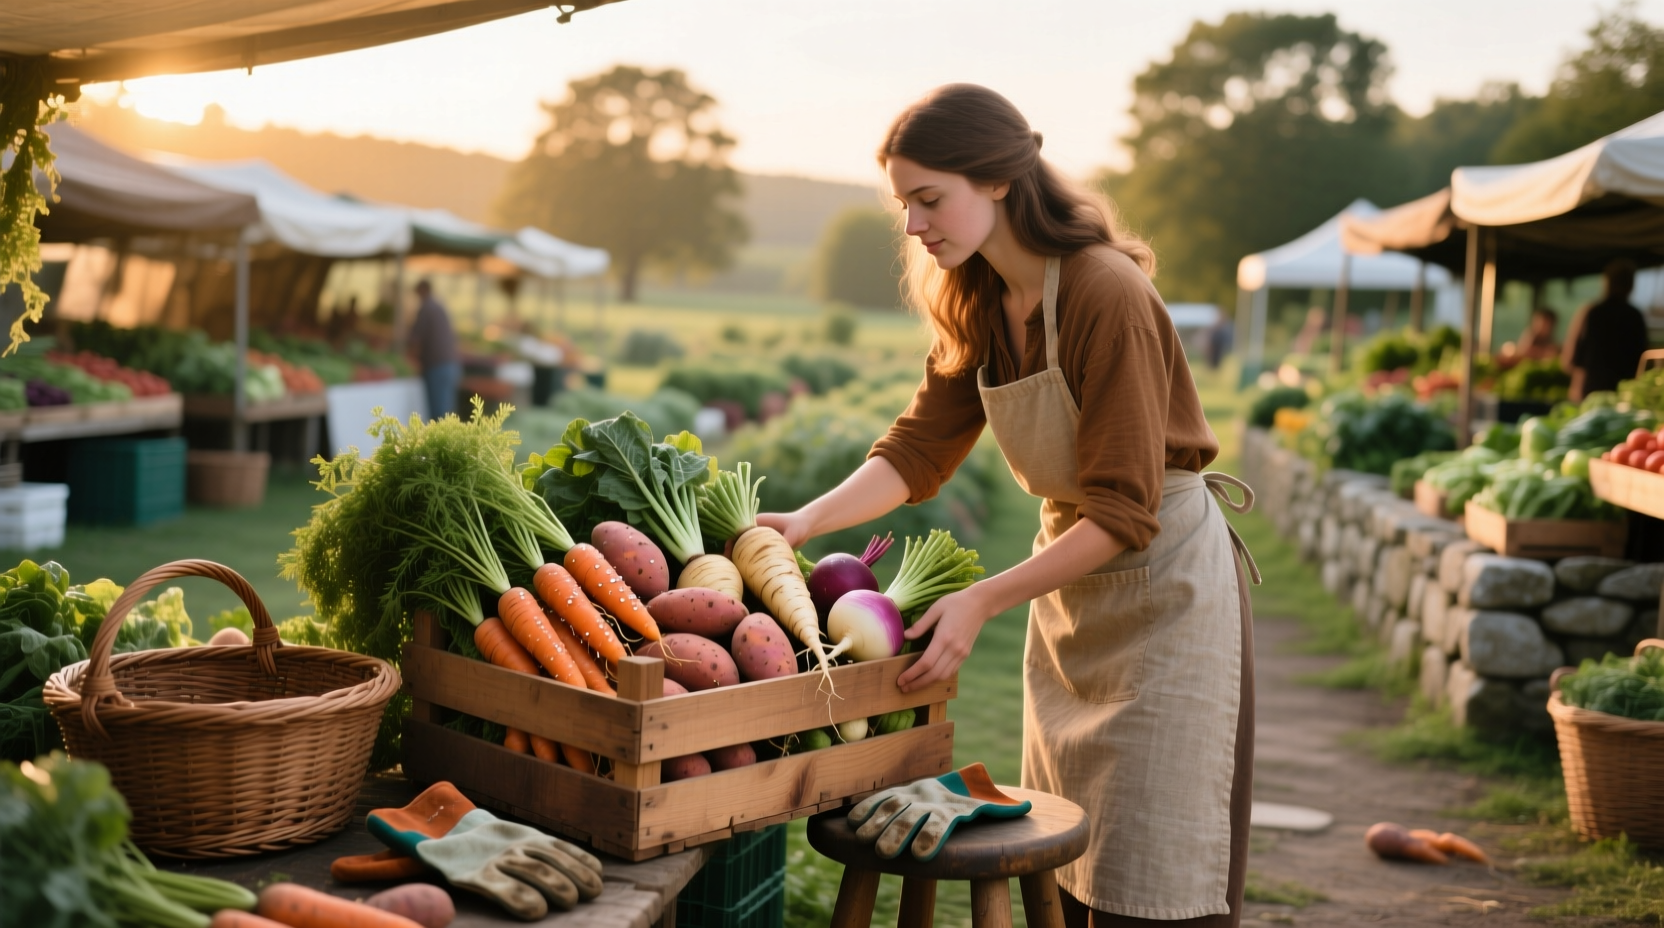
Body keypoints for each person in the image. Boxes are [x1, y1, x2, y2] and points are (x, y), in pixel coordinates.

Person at [757, 85, 1258, 927]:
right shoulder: (980, 298)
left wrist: (982, 598)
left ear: (996, 180)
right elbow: (919, 449)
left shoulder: (1107, 294)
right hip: (1073, 601)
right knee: (1068, 874)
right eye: (903, 205)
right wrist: (806, 521)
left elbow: (1127, 510)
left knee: (1155, 879)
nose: (914, 226)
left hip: (1168, 594)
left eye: (928, 198)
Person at [1563, 260, 1648, 400]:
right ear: (1631, 285)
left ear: (1606, 282)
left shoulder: (1592, 312)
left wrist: (1576, 386)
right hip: (1625, 393)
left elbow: (1570, 359)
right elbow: (1642, 360)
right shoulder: (1634, 316)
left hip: (1592, 391)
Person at [408, 279, 461, 419]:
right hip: (449, 363)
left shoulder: (426, 309)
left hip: (436, 366)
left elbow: (416, 339)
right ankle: (448, 439)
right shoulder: (439, 307)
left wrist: (412, 359)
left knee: (438, 411)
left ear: (422, 290)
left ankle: (440, 441)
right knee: (447, 409)